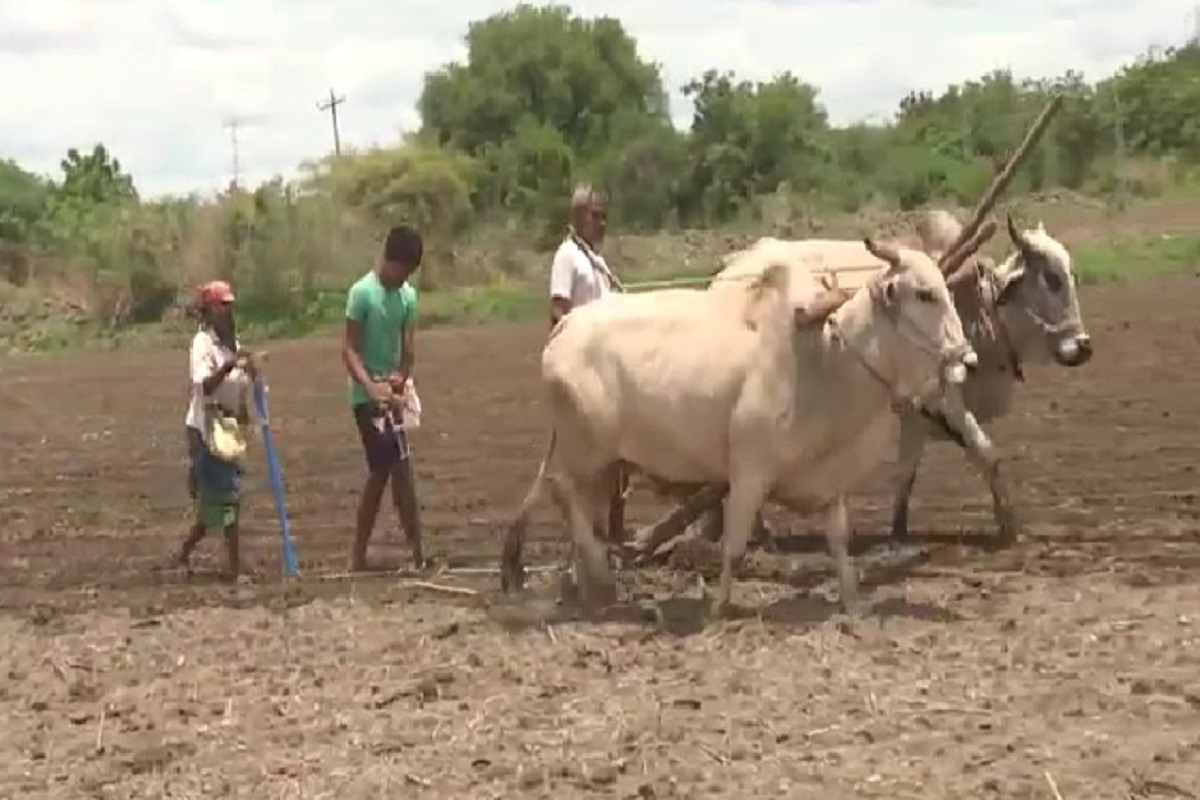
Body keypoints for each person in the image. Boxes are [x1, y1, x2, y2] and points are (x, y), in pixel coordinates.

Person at [342, 224, 425, 573]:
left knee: (393, 472)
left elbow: (408, 351)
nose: (403, 277)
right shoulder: (362, 293)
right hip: (365, 398)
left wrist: (400, 378)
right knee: (389, 470)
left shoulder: (407, 297)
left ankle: (414, 553)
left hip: (392, 399)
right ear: (390, 260)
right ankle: (363, 556)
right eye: (402, 269)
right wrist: (371, 386)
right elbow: (348, 349)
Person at [548, 185, 627, 542]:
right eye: (595, 215)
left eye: (604, 215)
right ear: (578, 216)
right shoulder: (568, 257)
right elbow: (558, 309)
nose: (602, 222)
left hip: (610, 368)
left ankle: (613, 531)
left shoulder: (597, 260)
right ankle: (589, 534)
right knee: (592, 459)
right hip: (586, 369)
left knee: (620, 455)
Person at [174, 279, 256, 580]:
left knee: (219, 502)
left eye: (230, 305)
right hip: (205, 428)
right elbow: (204, 385)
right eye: (221, 305)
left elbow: (239, 386)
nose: (227, 310)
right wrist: (229, 366)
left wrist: (247, 378)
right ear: (208, 309)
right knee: (227, 498)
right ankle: (233, 568)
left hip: (228, 427)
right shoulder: (203, 343)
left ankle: (184, 553)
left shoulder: (233, 342)